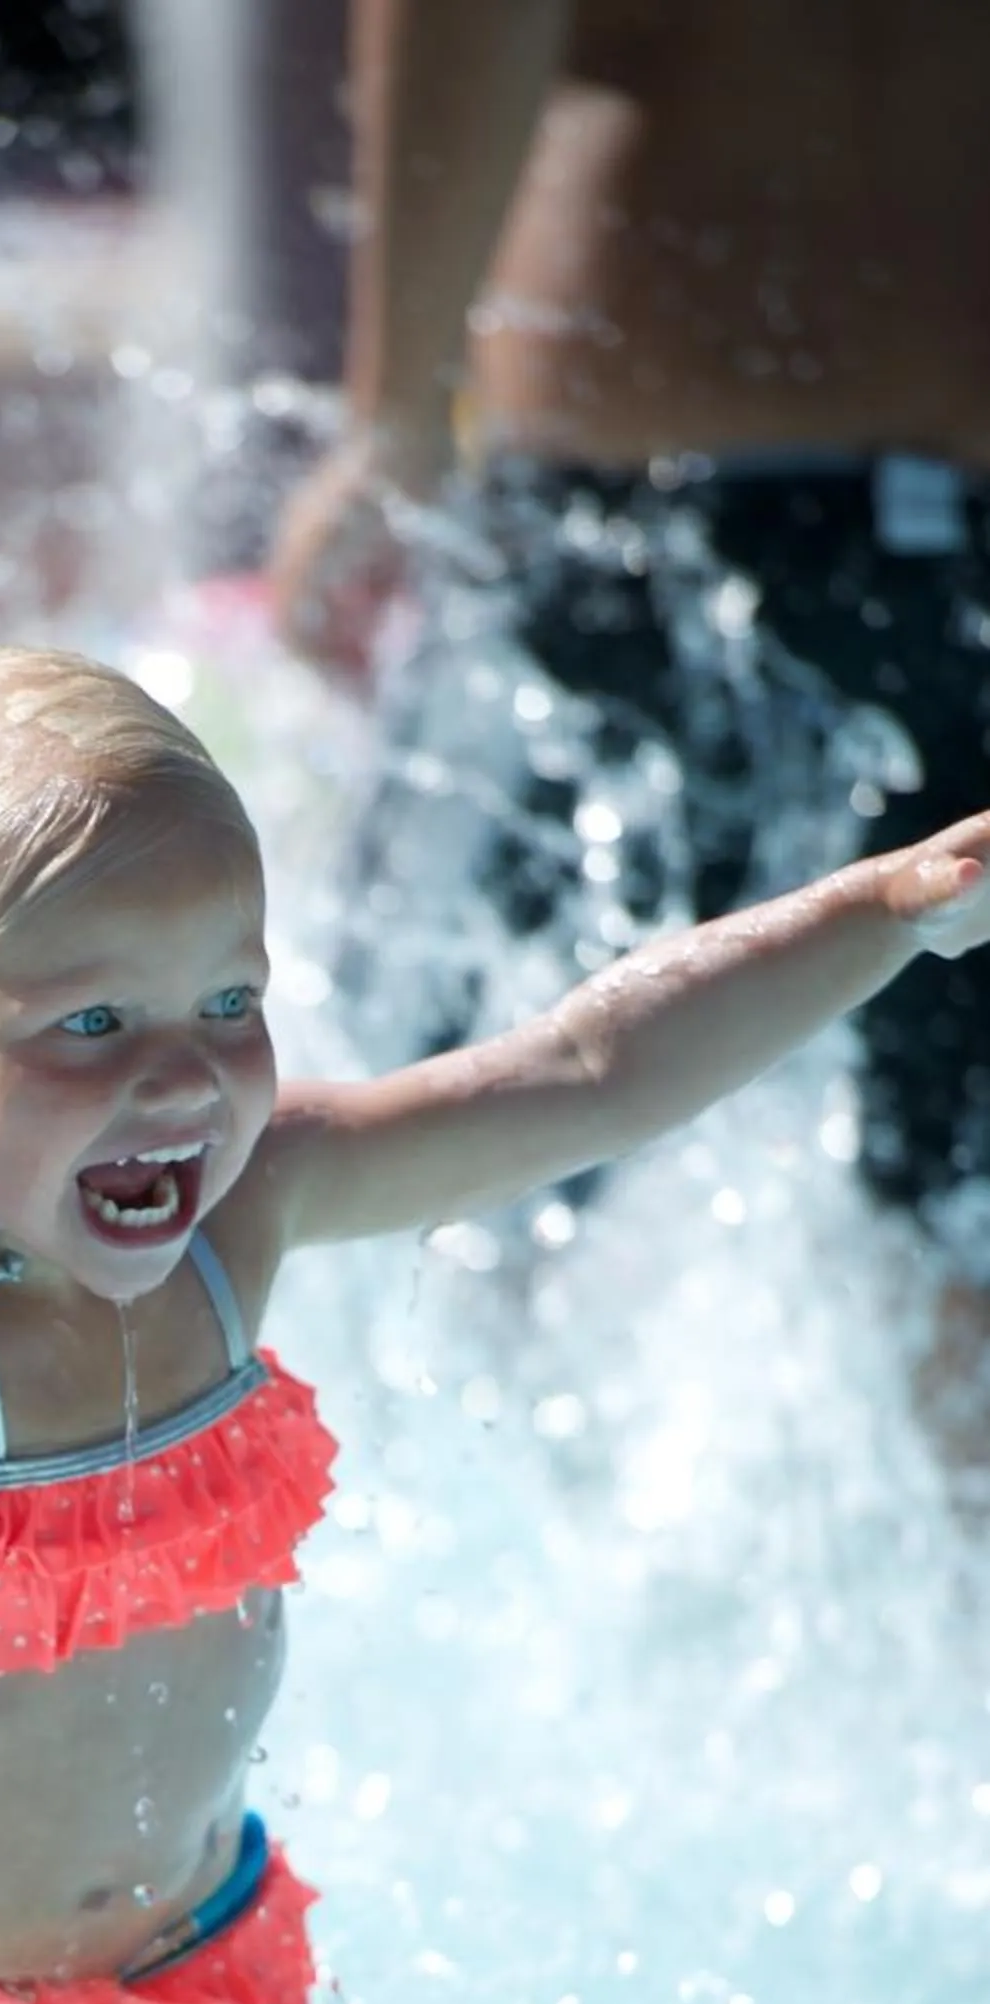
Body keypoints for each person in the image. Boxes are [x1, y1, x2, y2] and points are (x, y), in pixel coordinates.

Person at [0, 643, 989, 2004]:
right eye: (92, 1023)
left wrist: (885, 913)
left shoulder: (241, 1210)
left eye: (228, 1004)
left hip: (200, 1963)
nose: (182, 1080)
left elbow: (584, 1072)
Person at [262, 0, 990, 1279]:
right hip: (943, 502)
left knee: (414, 1198)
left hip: (646, 481)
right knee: (947, 1234)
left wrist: (396, 415)